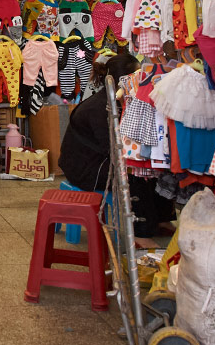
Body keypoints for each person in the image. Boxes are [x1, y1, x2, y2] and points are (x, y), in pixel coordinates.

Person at [58, 52, 175, 237]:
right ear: (124, 81)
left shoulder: (118, 101)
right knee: (137, 174)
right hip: (86, 169)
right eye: (137, 77)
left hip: (95, 159)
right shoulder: (100, 108)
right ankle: (141, 234)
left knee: (155, 167)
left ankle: (161, 219)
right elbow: (111, 149)